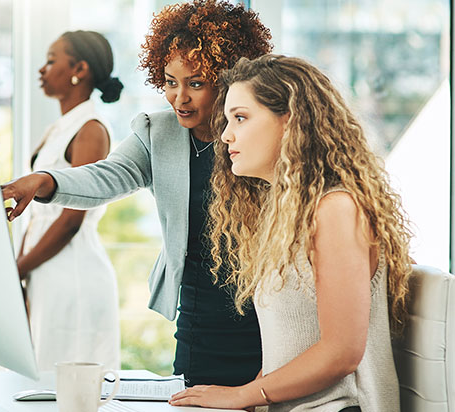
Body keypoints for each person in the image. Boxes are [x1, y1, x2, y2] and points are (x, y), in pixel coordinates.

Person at [2, 0, 272, 386]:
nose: (179, 98)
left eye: (195, 83)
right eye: (169, 82)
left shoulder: (256, 134)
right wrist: (46, 181)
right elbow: (106, 176)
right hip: (197, 316)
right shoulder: (156, 133)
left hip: (263, 317)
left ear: (228, 79)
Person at [169, 55, 411, 411]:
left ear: (291, 121)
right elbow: (293, 345)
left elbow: (341, 353)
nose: (225, 134)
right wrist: (250, 396)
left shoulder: (335, 208)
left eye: (240, 118)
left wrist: (241, 394)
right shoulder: (285, 213)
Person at [19, 30, 124, 370]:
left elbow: (71, 218)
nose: (42, 70)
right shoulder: (61, 127)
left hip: (72, 275)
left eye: (51, 61)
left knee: (64, 389)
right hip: (46, 270)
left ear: (79, 68)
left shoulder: (90, 128)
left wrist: (17, 269)